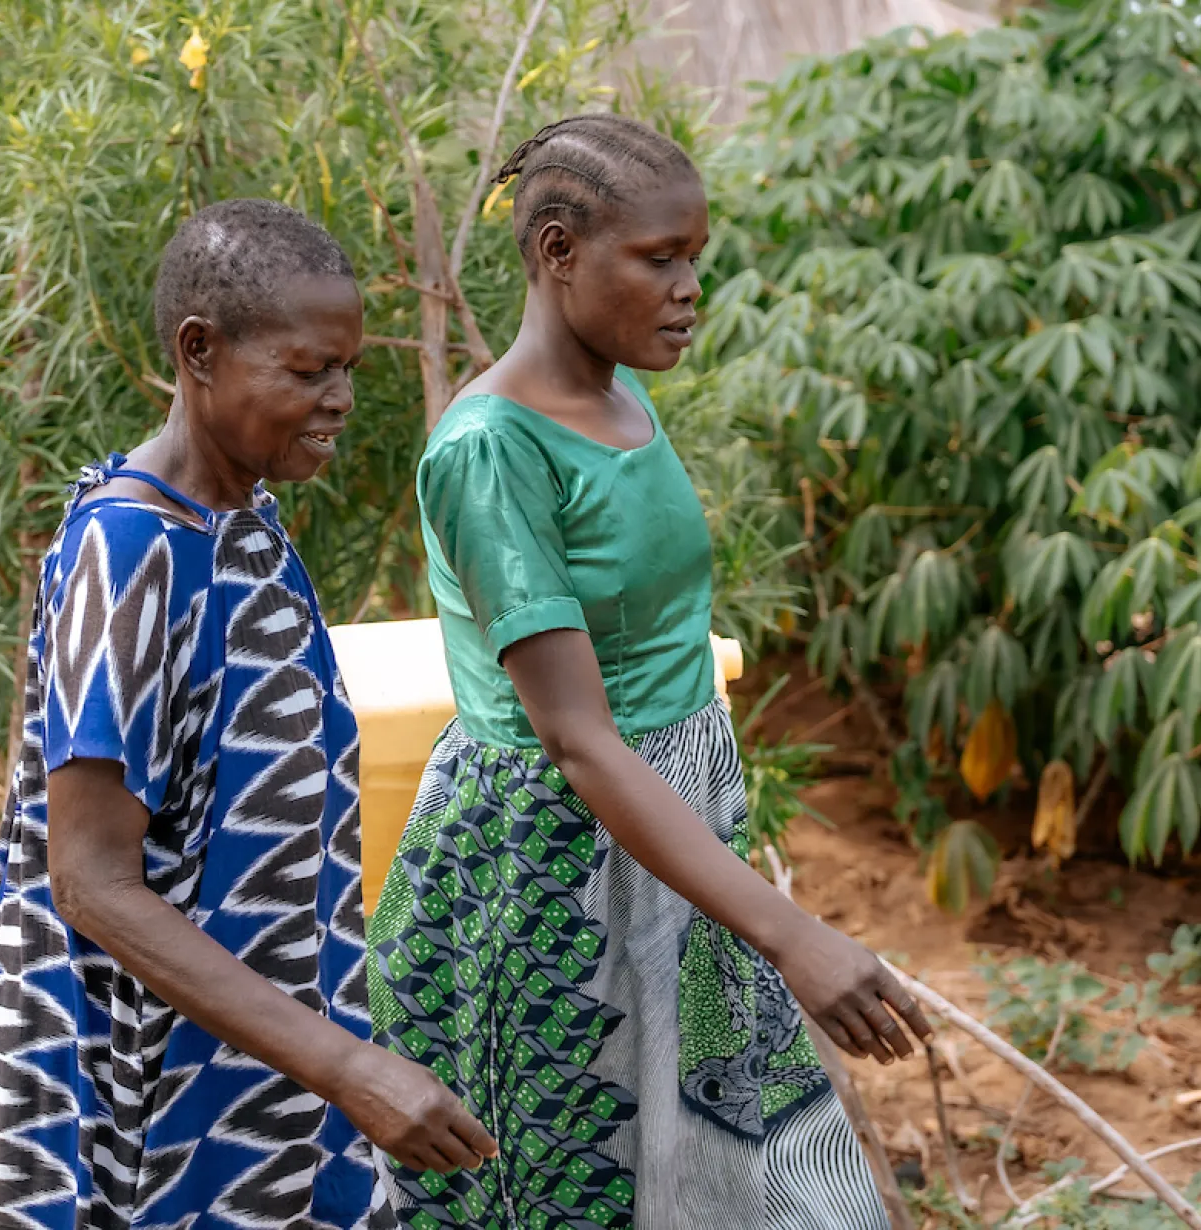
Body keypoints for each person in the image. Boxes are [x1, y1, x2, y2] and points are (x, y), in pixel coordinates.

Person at [366, 116, 933, 1229]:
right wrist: (791, 933)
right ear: (559, 250)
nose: (688, 289)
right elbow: (577, 738)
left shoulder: (622, 401)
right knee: (581, 1187)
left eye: (695, 258)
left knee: (736, 1185)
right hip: (555, 885)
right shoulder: (492, 452)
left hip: (675, 851)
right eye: (659, 258)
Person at [0, 199, 496, 1230]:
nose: (341, 398)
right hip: (123, 1072)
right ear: (198, 351)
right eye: (308, 371)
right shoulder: (131, 555)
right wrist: (348, 1067)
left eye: (348, 368)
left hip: (252, 1047)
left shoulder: (245, 522)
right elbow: (90, 883)